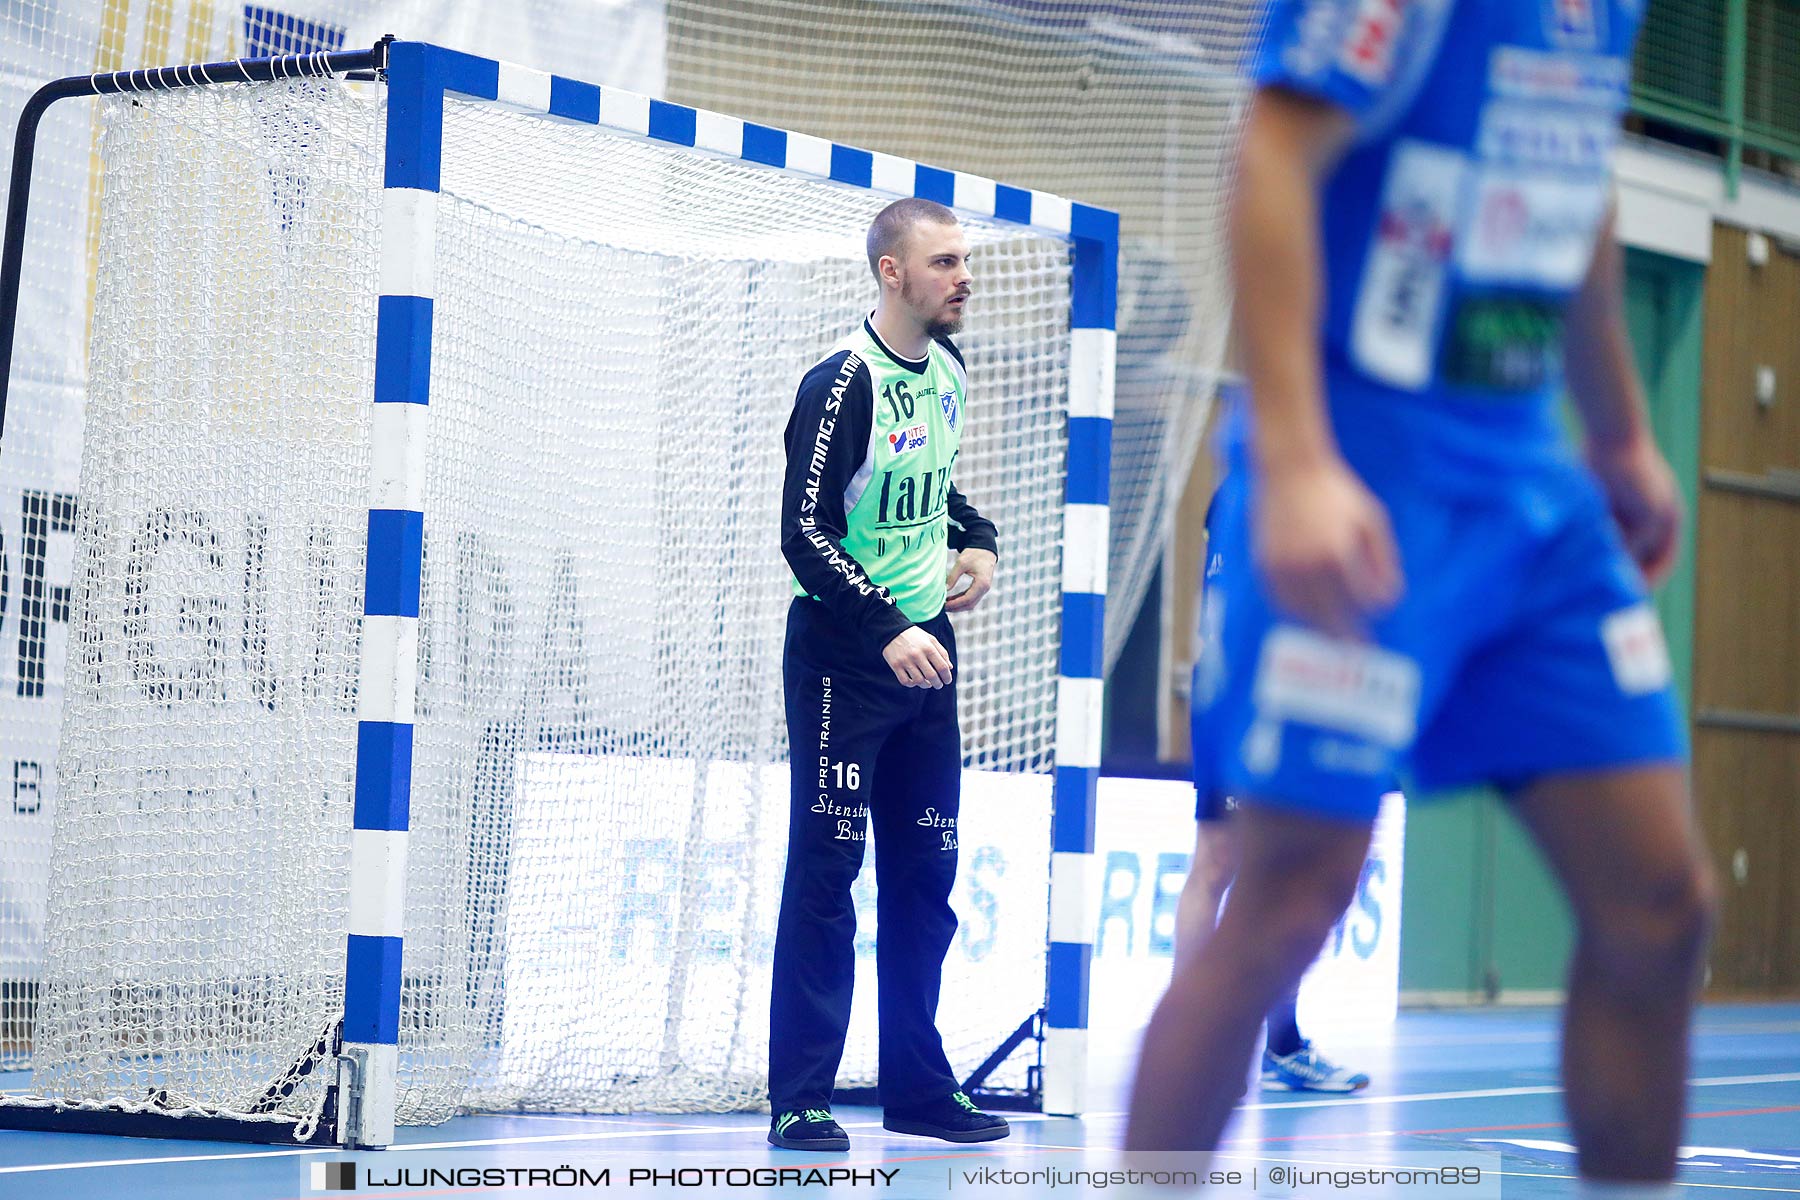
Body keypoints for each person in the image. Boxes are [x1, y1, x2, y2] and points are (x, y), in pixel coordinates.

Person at [1129, 0, 1717, 1194]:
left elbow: (1572, 184)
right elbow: (1274, 152)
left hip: (1527, 489)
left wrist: (1618, 433)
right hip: (1365, 466)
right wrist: (1294, 458)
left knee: (1662, 906)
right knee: (1288, 902)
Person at [767, 197, 1011, 1151]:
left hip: (925, 666)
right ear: (891, 273)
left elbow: (936, 487)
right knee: (827, 877)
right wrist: (880, 629)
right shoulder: (840, 383)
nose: (963, 277)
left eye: (964, 261)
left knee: (927, 878)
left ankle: (919, 1088)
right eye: (944, 261)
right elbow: (805, 532)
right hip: (845, 660)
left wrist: (978, 543)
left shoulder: (948, 369)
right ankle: (801, 1098)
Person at [1176, 479, 1369, 1095]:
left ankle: (1283, 1043)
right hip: (1244, 690)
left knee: (1295, 873)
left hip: (1303, 689)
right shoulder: (1251, 486)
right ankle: (1194, 1039)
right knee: (1218, 861)